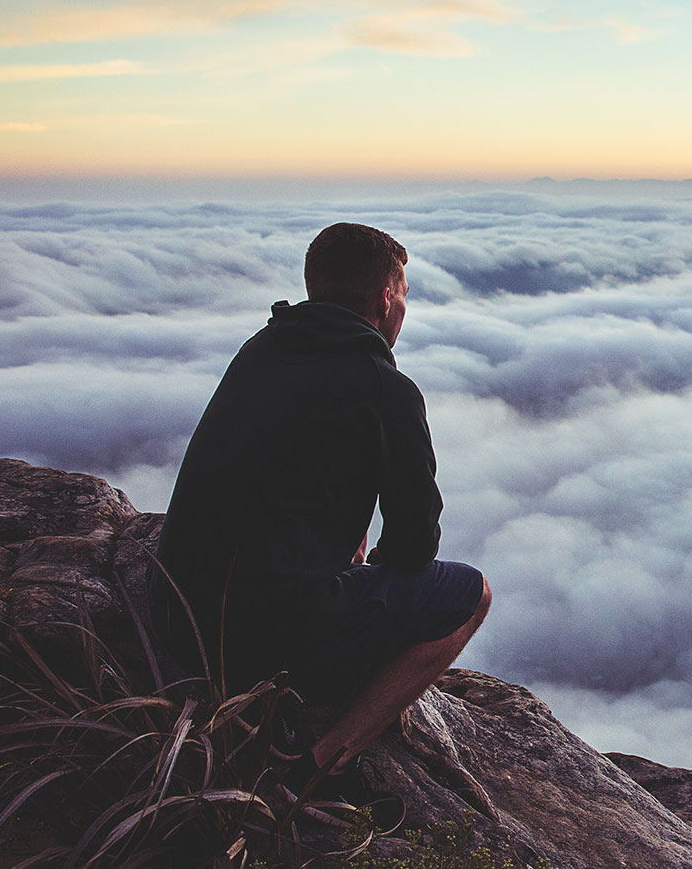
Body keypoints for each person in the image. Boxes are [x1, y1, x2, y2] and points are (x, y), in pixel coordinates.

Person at [155, 222, 491, 791]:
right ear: (387, 299)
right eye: (403, 294)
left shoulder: (261, 349)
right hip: (258, 642)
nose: (403, 308)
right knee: (470, 595)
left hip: (174, 617)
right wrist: (372, 567)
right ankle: (319, 764)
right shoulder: (386, 389)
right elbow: (415, 545)